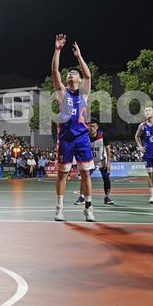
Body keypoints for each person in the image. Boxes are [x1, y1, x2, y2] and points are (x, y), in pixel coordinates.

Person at [51, 34, 96, 222]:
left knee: (85, 173)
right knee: (63, 174)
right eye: (69, 73)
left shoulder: (84, 93)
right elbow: (55, 71)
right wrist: (57, 50)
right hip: (66, 138)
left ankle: (88, 207)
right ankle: (59, 208)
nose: (70, 74)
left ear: (78, 79)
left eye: (74, 73)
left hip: (82, 138)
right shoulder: (63, 93)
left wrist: (79, 56)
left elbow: (88, 75)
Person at [89, 121, 114, 205]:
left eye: (94, 126)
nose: (92, 128)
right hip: (90, 161)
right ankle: (82, 197)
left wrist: (108, 162)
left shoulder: (102, 135)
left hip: (102, 160)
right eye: (90, 126)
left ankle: (107, 197)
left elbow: (108, 148)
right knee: (85, 178)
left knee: (106, 178)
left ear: (97, 127)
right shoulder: (85, 136)